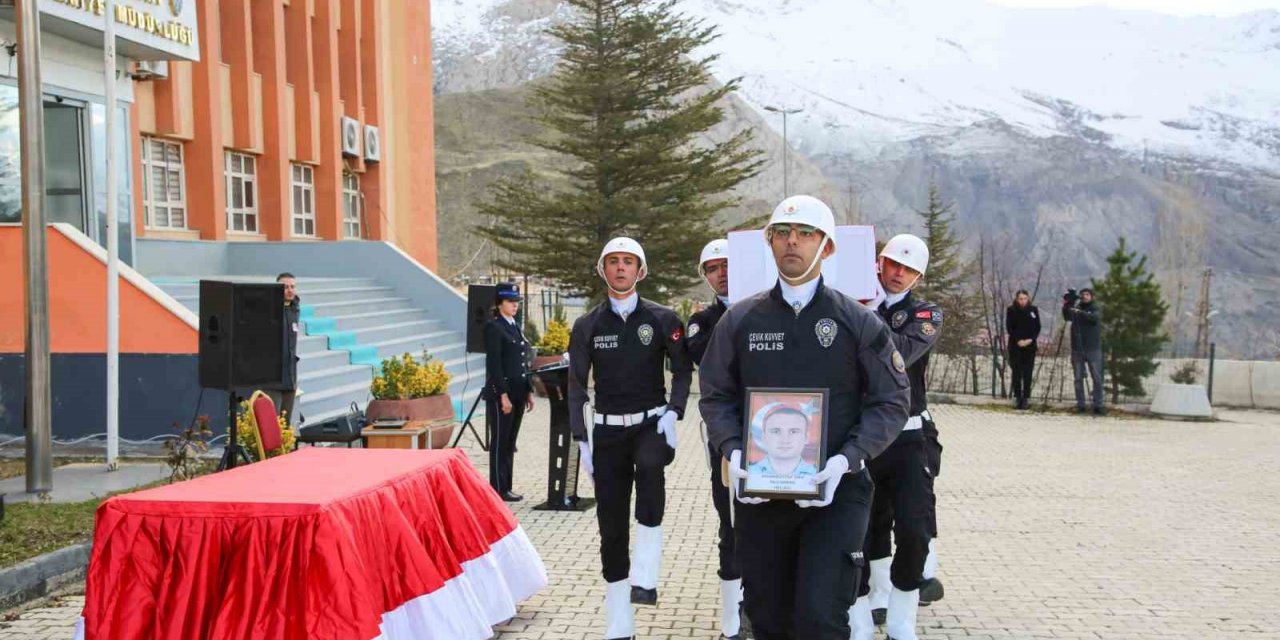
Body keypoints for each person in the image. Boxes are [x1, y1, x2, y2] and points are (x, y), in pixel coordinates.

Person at [700, 194, 910, 640]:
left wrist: (846, 460)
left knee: (819, 619)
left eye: (805, 234)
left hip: (834, 495)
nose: (791, 242)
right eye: (781, 233)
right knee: (768, 619)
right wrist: (734, 452)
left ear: (827, 247)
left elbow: (891, 401)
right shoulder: (740, 320)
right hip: (761, 497)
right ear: (769, 242)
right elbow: (715, 395)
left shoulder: (857, 322)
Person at [568, 237, 693, 640]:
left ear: (641, 271)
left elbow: (683, 369)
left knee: (652, 467)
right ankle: (620, 622)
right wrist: (581, 439)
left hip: (650, 424)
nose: (620, 268)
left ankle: (647, 574)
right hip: (607, 432)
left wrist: (674, 410)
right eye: (613, 262)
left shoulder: (663, 318)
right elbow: (575, 387)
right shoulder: (587, 325)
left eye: (628, 262)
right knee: (611, 527)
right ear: (602, 269)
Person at [848, 234, 942, 640]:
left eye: (907, 269)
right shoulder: (848, 305)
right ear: (878, 264)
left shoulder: (925, 314)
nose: (898, 273)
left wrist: (864, 317)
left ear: (917, 276)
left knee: (915, 529)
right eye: (892, 264)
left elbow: (902, 353)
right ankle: (861, 616)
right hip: (862, 436)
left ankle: (903, 622)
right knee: (860, 531)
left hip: (908, 437)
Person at [685, 238, 748, 640]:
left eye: (727, 264)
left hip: (775, 429)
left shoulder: (766, 311)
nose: (721, 273)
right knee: (731, 520)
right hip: (726, 433)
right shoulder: (702, 321)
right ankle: (732, 619)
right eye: (712, 268)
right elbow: (711, 361)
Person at [484, 282, 535, 502]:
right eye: (510, 302)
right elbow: (494, 364)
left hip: (518, 392)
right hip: (502, 394)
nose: (515, 305)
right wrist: (502, 395)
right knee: (500, 440)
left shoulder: (514, 325)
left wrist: (529, 390)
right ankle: (497, 487)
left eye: (517, 302)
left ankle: (507, 486)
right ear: (499, 303)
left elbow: (522, 361)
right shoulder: (494, 327)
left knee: (510, 441)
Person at [1063, 288, 1104, 415]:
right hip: (1077, 348)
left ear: (1091, 296)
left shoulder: (1095, 308)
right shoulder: (1075, 308)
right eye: (1082, 295)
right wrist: (1068, 304)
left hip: (1093, 348)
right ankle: (1080, 404)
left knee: (1097, 378)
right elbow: (1067, 316)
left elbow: (1093, 319)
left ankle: (1098, 405)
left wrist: (1080, 312)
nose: (1085, 297)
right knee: (1078, 378)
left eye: (1087, 294)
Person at [748, 404, 819, 478]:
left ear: (806, 438)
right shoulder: (747, 475)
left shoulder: (818, 475)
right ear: (764, 437)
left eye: (793, 431)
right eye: (776, 431)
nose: (785, 440)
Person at [269, 273, 301, 426]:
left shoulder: (295, 310)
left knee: (285, 424)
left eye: (292, 287)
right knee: (272, 424)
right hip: (273, 379)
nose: (289, 290)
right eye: (285, 287)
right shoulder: (269, 311)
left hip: (290, 377)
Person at [1006, 290, 1041, 410]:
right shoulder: (1011, 310)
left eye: (1025, 298)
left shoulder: (1033, 310)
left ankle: (1026, 397)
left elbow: (1037, 327)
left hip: (1030, 345)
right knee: (1016, 372)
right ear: (1016, 299)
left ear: (1028, 298)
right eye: (1020, 298)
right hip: (1016, 345)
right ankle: (1018, 398)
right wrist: (1018, 340)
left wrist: (1030, 339)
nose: (1022, 301)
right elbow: (1009, 327)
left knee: (1028, 373)